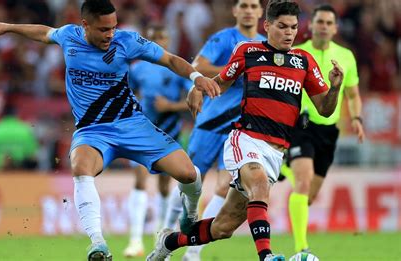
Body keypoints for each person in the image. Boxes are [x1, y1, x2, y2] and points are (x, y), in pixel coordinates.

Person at [0, 0, 220, 260]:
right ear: (85, 25)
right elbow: (44, 32)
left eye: (113, 28)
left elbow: (171, 60)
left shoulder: (126, 41)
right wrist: (9, 27)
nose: (110, 34)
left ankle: (190, 212)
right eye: (104, 29)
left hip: (133, 124)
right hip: (93, 130)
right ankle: (98, 244)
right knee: (80, 166)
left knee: (189, 174)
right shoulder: (69, 36)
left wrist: (198, 78)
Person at [146, 1, 344, 261]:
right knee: (258, 184)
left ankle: (169, 242)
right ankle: (267, 256)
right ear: (268, 25)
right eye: (282, 26)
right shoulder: (248, 51)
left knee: (223, 227)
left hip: (276, 152)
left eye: (294, 28)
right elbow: (221, 82)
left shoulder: (303, 61)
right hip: (246, 139)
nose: (289, 33)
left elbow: (325, 109)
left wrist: (335, 88)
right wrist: (198, 88)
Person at [161, 0, 266, 259]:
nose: (249, 10)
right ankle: (163, 234)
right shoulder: (224, 39)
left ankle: (193, 252)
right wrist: (235, 69)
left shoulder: (266, 44)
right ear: (235, 10)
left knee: (224, 187)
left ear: (261, 12)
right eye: (244, 5)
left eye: (254, 6)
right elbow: (197, 67)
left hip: (239, 130)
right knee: (189, 180)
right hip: (211, 122)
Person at [281, 4, 365, 255]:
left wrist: (357, 118)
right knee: (303, 183)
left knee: (308, 195)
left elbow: (353, 94)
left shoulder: (346, 56)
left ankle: (285, 166)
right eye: (320, 22)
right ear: (312, 25)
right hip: (302, 123)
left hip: (329, 129)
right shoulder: (296, 54)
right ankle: (302, 249)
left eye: (329, 23)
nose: (324, 27)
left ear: (335, 28)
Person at [124, 25, 192, 258]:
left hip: (169, 132)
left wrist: (171, 106)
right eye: (153, 38)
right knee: (140, 179)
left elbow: (193, 100)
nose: (158, 41)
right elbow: (126, 93)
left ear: (168, 39)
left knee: (164, 186)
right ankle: (134, 240)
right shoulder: (137, 69)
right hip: (144, 131)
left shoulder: (176, 68)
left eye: (162, 36)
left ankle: (159, 235)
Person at [0, 104, 39, 171]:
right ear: (16, 114)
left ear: (2, 115)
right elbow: (32, 152)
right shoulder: (25, 129)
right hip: (20, 171)